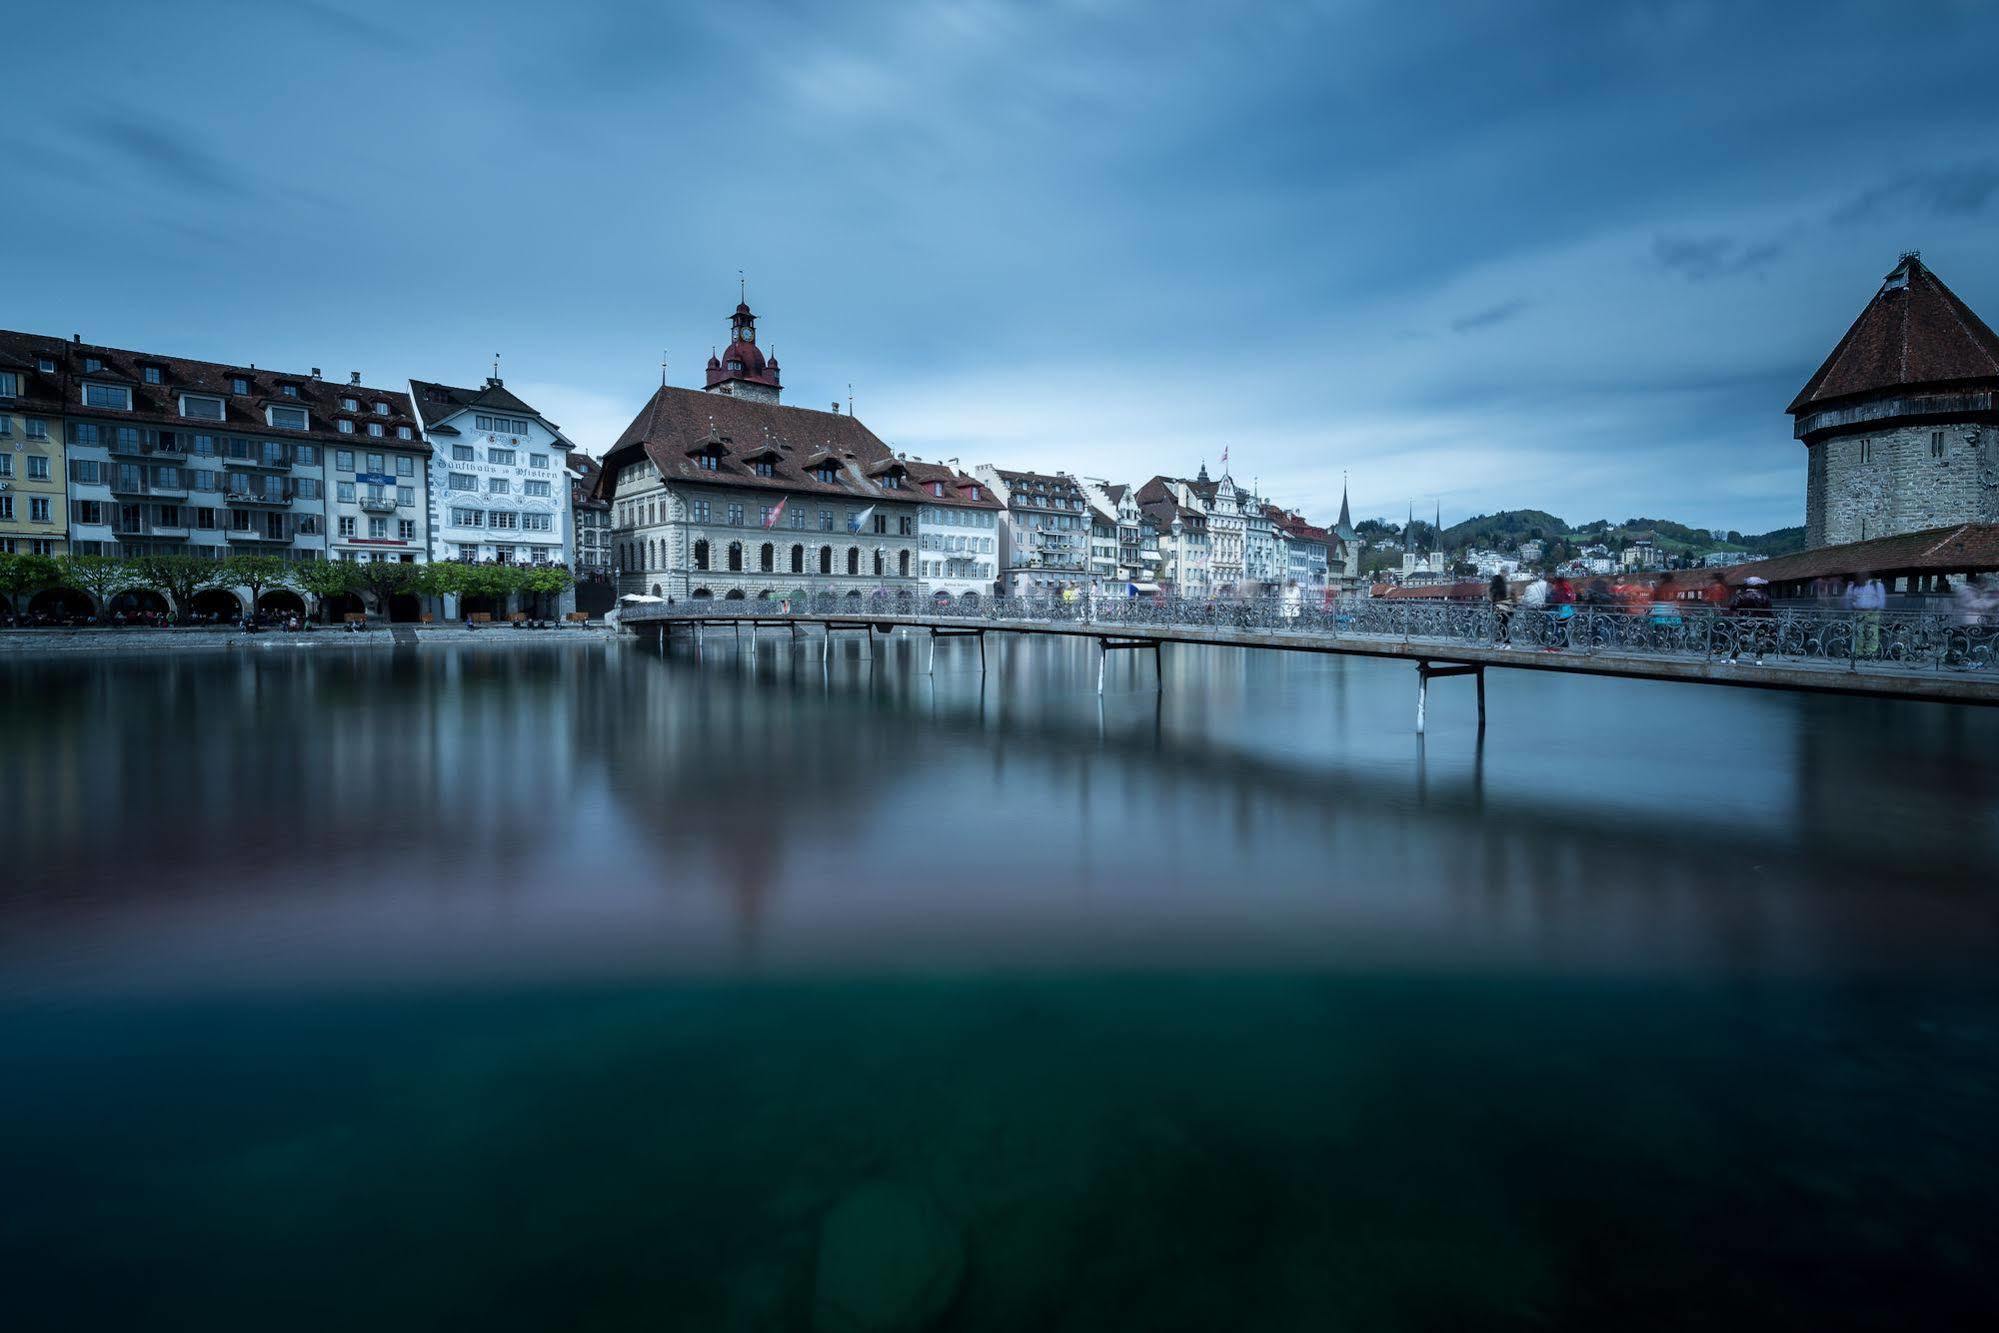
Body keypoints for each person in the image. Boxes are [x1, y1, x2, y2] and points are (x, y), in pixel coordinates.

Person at [1728, 576, 1774, 664]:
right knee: (1760, 639)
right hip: (1761, 620)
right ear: (1758, 586)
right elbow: (1769, 610)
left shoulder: (1741, 595)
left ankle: (1733, 657)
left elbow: (1732, 606)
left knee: (1742, 638)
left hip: (1745, 620)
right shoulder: (1764, 596)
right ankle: (1759, 659)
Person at [1846, 571, 1885, 658]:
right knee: (1858, 634)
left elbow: (1881, 601)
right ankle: (1858, 654)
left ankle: (1870, 654)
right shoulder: (1853, 586)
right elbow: (1849, 599)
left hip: (1873, 613)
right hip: (1858, 612)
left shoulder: (1877, 585)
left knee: (1872, 634)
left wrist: (1878, 611)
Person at [1488, 573, 1514, 646]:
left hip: (1499, 608)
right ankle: (1505, 638)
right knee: (1505, 623)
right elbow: (1513, 597)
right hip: (1508, 608)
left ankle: (1501, 638)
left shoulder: (1493, 589)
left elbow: (1490, 599)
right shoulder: (1508, 587)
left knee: (1500, 623)